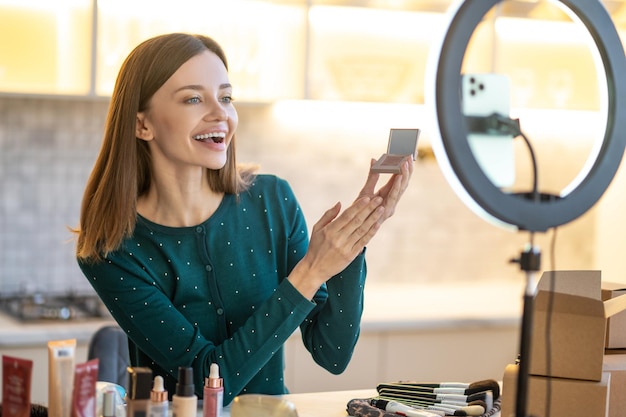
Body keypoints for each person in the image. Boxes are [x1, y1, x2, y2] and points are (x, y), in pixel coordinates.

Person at [74, 33, 413, 404]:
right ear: (142, 125)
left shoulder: (272, 201)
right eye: (193, 98)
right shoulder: (113, 250)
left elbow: (332, 354)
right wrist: (311, 271)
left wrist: (350, 244)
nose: (221, 114)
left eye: (225, 97)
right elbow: (208, 381)